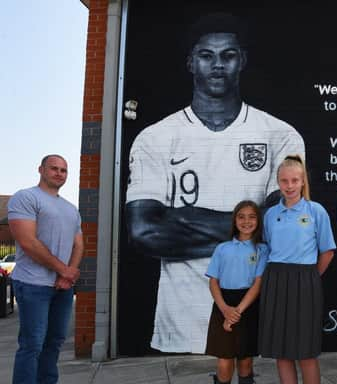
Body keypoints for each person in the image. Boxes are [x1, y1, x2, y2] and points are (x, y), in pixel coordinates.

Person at [125, 12, 305, 353]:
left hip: (252, 306)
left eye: (228, 55)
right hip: (179, 324)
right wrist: (245, 231)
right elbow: (143, 232)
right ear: (191, 63)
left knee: (248, 378)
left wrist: (182, 217)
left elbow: (279, 226)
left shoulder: (280, 135)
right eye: (207, 55)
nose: (218, 64)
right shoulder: (157, 137)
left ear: (242, 61)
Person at [259, 155, 335, 384]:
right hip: (276, 281)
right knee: (282, 352)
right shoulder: (270, 214)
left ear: (303, 182)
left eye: (295, 180)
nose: (289, 185)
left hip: (306, 281)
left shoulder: (316, 212)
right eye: (284, 181)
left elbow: (327, 251)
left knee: (306, 353)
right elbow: (267, 248)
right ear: (278, 183)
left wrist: (310, 278)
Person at [8, 155, 84, 384]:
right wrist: (63, 270)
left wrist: (69, 273)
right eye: (54, 168)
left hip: (62, 288)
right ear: (41, 170)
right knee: (32, 344)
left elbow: (79, 245)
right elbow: (27, 241)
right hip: (32, 285)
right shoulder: (26, 198)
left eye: (64, 170)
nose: (59, 173)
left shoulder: (70, 208)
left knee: (54, 342)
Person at [204, 200, 268, 384]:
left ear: (258, 221)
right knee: (224, 364)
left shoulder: (262, 249)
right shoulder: (222, 248)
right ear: (234, 220)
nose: (246, 221)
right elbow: (213, 281)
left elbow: (258, 284)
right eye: (241, 216)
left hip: (247, 307)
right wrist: (225, 310)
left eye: (252, 216)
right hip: (224, 305)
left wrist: (238, 311)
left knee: (245, 364)